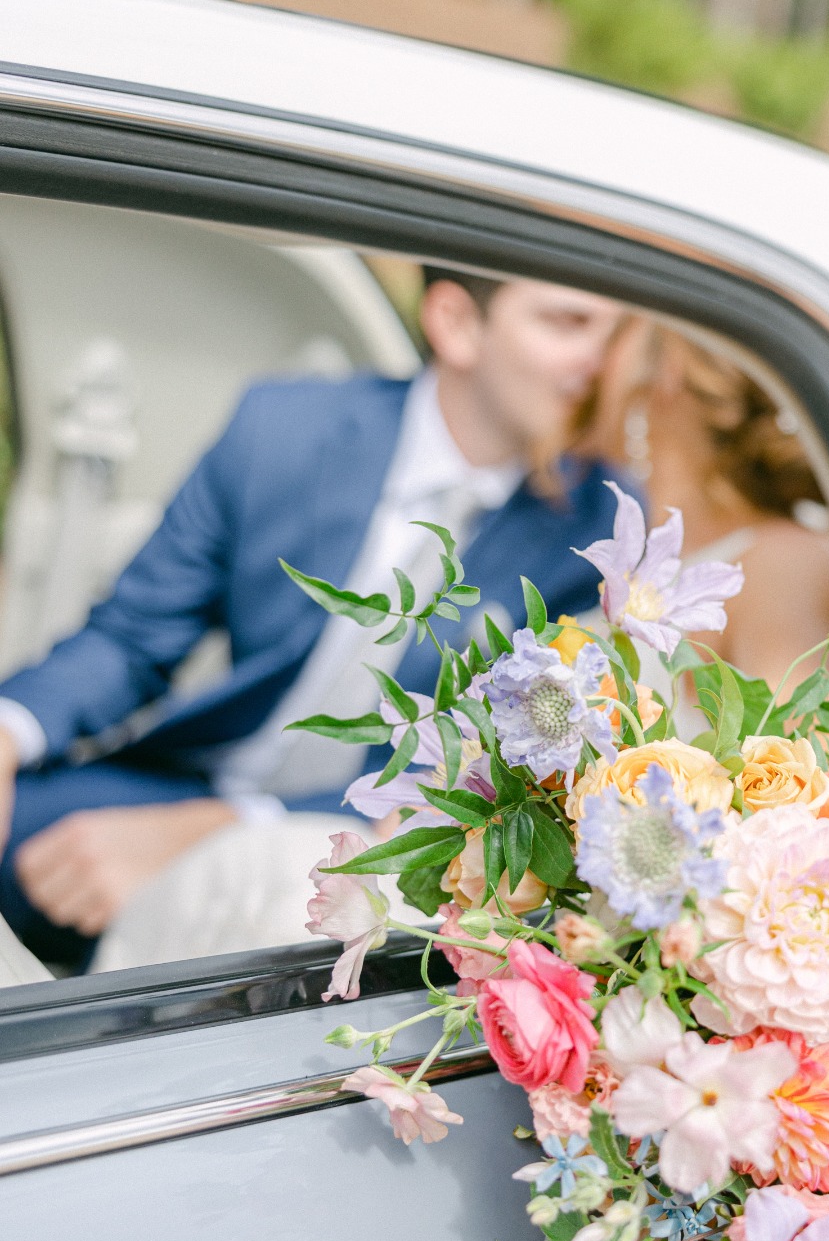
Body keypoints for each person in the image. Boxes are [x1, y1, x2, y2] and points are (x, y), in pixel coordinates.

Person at [0, 271, 623, 968]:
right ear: (456, 323)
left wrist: (217, 831)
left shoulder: (599, 528)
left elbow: (490, 774)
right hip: (194, 778)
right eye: (567, 323)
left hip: (378, 842)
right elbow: (131, 639)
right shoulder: (281, 428)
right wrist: (8, 730)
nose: (600, 360)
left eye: (612, 330)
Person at [579, 319, 829, 734]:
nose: (586, 362)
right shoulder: (646, 550)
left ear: (669, 368)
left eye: (610, 333)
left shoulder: (780, 567)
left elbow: (819, 782)